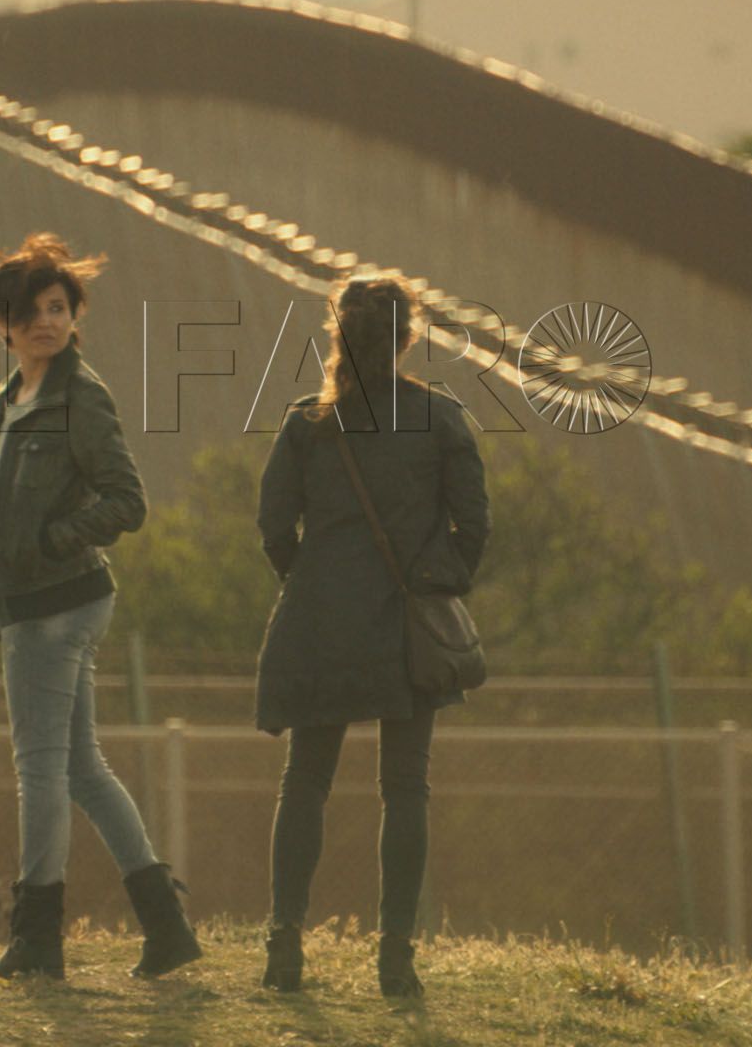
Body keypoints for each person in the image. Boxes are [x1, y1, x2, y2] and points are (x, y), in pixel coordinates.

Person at [0, 233, 201, 981]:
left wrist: (52, 542)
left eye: (57, 308)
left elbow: (128, 501)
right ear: (3, 323)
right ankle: (167, 930)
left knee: (39, 771)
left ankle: (37, 939)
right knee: (82, 770)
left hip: (57, 606)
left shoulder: (79, 398)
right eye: (30, 311)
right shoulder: (10, 401)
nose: (46, 322)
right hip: (32, 604)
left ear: (74, 316)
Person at [251, 274, 490, 1000]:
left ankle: (284, 945)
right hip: (405, 629)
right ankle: (395, 958)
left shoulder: (306, 423)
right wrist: (432, 583)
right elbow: (474, 526)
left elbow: (273, 527)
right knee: (406, 786)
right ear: (409, 339)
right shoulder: (442, 418)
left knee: (304, 782)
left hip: (319, 624)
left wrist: (312, 581)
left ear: (338, 336)